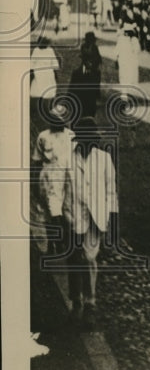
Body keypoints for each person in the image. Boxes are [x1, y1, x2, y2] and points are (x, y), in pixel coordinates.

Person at [61, 117, 119, 329]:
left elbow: (111, 191)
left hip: (95, 219)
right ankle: (76, 302)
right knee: (74, 260)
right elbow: (60, 191)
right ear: (79, 140)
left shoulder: (103, 159)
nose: (89, 143)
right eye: (85, 139)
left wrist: (112, 219)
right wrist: (60, 218)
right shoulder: (67, 159)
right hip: (72, 216)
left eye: (92, 139)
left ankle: (90, 304)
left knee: (88, 259)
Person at [31, 102, 75, 255]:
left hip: (68, 174)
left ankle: (66, 240)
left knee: (67, 208)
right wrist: (35, 183)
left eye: (60, 120)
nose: (57, 123)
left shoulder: (71, 136)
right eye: (54, 120)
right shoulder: (43, 136)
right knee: (51, 208)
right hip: (49, 175)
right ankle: (55, 242)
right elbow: (36, 161)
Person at [29, 37, 60, 130]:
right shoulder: (41, 50)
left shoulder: (45, 50)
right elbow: (55, 65)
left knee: (42, 93)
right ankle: (42, 109)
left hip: (42, 74)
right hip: (43, 74)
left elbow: (54, 65)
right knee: (42, 92)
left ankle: (44, 109)